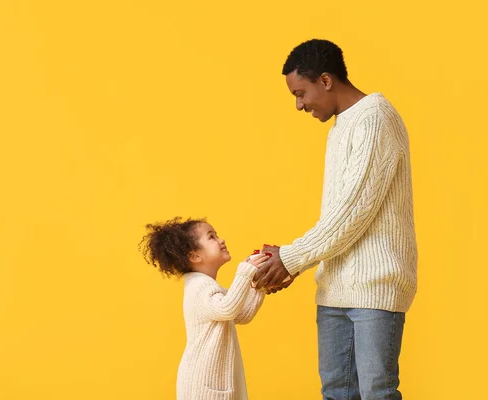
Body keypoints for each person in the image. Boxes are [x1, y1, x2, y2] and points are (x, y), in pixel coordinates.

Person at [253, 39, 418, 399]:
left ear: (325, 81)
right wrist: (289, 259)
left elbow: (352, 213)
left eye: (301, 92)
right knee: (336, 393)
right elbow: (340, 215)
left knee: (377, 392)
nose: (299, 105)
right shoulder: (342, 125)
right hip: (334, 287)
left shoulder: (375, 118)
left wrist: (291, 258)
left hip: (376, 286)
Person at [139, 217, 267, 400]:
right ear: (194, 256)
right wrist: (245, 271)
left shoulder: (206, 286)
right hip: (202, 385)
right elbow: (228, 308)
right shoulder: (199, 287)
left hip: (210, 383)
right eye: (211, 237)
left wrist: (260, 284)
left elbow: (242, 314)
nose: (221, 240)